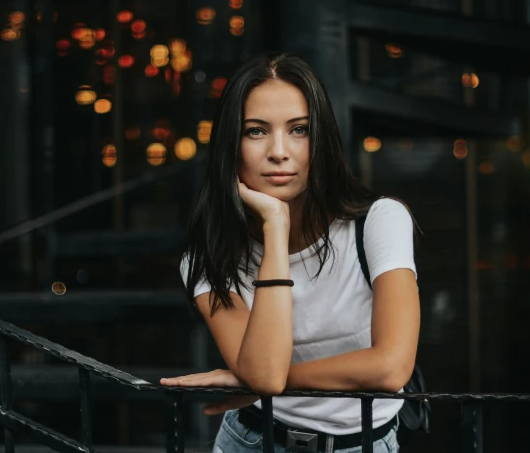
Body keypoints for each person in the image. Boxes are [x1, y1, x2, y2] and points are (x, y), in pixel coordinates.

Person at [160, 53, 420, 453]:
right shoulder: (208, 254)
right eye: (256, 131)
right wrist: (276, 229)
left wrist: (270, 380)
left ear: (322, 140)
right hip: (251, 441)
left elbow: (391, 367)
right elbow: (263, 373)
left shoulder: (379, 222)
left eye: (299, 130)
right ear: (231, 144)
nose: (279, 151)